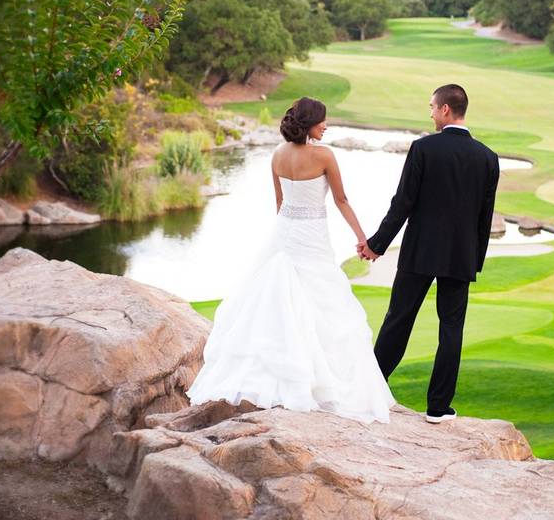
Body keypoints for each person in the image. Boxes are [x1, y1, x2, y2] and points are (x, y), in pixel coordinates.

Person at [187, 97, 395, 423]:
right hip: (312, 236)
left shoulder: (277, 155)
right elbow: (341, 199)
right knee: (324, 303)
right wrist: (362, 238)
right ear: (311, 122)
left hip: (284, 233)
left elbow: (280, 203)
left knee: (275, 301)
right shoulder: (324, 155)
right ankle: (319, 386)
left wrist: (285, 236)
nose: (326, 125)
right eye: (323, 121)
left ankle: (280, 379)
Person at [358, 84, 499, 423]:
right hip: (460, 257)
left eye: (433, 108)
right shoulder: (488, 158)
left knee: (398, 320)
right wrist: (473, 261)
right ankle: (438, 407)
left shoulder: (423, 148)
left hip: (420, 251)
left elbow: (403, 203)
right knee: (451, 328)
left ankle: (369, 392)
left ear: (446, 110)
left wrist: (376, 243)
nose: (431, 114)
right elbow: (485, 218)